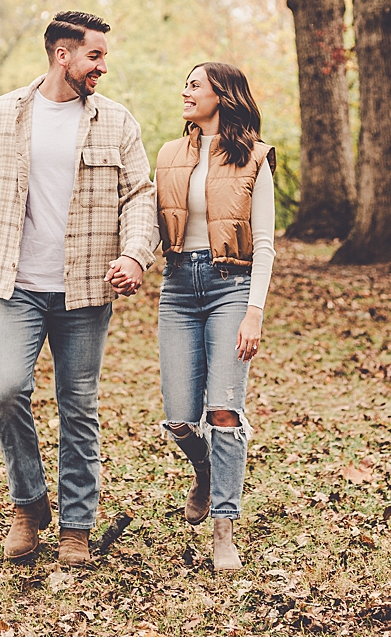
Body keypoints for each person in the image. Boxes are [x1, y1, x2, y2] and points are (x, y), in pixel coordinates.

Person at [0, 10, 158, 567]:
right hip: (17, 286)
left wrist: (134, 254)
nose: (103, 64)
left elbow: (140, 197)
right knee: (7, 391)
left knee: (78, 407)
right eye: (95, 55)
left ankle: (77, 525)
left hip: (84, 291)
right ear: (63, 55)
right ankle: (29, 505)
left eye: (104, 55)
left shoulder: (117, 122)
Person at [154, 61, 277, 574]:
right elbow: (146, 217)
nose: (185, 92)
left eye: (195, 85)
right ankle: (204, 473)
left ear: (222, 96)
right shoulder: (167, 154)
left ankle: (224, 528)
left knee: (223, 412)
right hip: (179, 285)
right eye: (184, 83)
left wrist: (254, 313)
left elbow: (266, 243)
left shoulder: (255, 157)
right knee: (181, 417)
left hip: (232, 287)